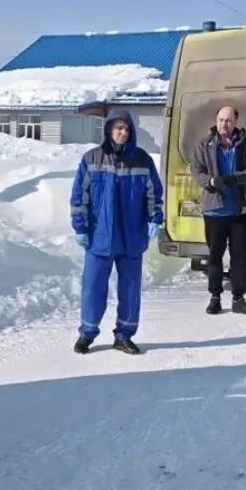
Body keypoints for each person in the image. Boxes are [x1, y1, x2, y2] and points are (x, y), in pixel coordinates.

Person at [69, 110, 164, 355]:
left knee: (130, 290)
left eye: (127, 128)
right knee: (93, 287)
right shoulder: (92, 159)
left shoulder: (142, 160)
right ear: (109, 129)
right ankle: (87, 333)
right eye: (118, 127)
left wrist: (155, 218)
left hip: (132, 237)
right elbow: (80, 197)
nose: (123, 132)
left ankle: (124, 335)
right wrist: (81, 226)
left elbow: (154, 193)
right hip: (99, 236)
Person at [190, 106, 246, 315]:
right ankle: (215, 297)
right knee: (214, 257)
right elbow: (196, 171)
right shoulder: (204, 145)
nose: (224, 125)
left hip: (240, 212)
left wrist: (234, 178)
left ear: (235, 122)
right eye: (221, 120)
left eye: (228, 121)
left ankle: (239, 298)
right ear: (216, 120)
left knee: (239, 258)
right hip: (214, 211)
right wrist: (211, 181)